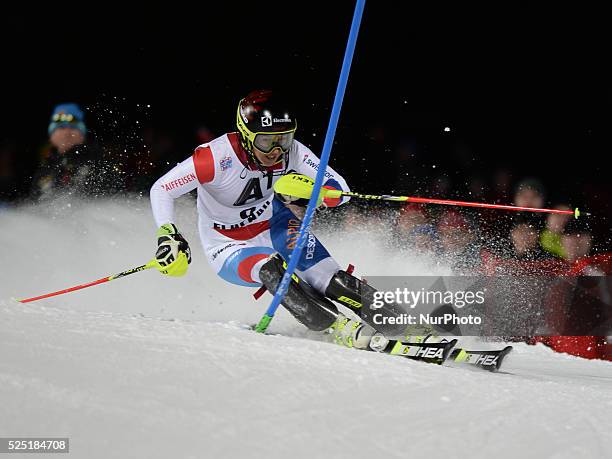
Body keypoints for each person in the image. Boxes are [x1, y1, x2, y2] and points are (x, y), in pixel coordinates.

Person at [149, 90, 418, 352]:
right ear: (246, 136)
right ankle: (339, 327)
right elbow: (162, 189)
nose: (277, 151)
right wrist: (168, 234)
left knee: (329, 279)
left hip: (275, 223)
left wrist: (319, 192)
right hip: (228, 245)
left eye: (284, 139)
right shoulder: (214, 158)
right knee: (271, 270)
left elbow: (340, 189)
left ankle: (407, 327)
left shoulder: (293, 151)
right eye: (266, 142)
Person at [31, 103, 122, 199]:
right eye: (61, 127)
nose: (67, 132)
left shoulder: (98, 163)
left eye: (73, 127)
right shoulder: (45, 169)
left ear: (83, 134)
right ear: (51, 135)